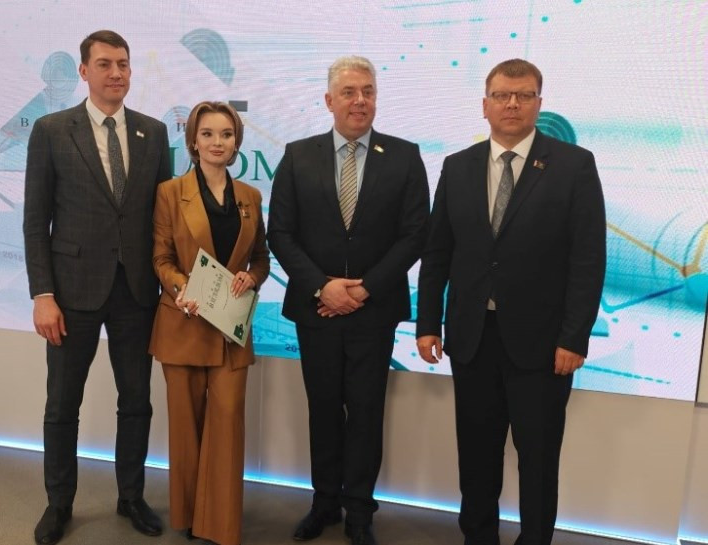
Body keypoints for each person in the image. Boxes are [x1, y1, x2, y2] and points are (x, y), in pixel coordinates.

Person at [416, 58, 606, 545]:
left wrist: (574, 338)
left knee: (538, 459)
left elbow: (588, 260)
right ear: (485, 105)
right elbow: (438, 253)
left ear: (540, 104)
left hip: (543, 347)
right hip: (472, 340)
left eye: (524, 95)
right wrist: (427, 323)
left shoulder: (574, 166)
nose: (512, 104)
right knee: (476, 456)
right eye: (502, 95)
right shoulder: (457, 166)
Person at [267, 56, 430, 545]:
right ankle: (324, 503)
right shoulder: (298, 155)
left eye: (368, 91)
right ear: (329, 100)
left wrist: (364, 288)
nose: (360, 101)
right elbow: (281, 233)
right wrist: (324, 287)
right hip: (315, 310)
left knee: (365, 412)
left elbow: (415, 234)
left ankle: (359, 510)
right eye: (349, 92)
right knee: (322, 410)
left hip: (373, 311)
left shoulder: (404, 156)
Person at [23, 30, 171, 545]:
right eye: (105, 64)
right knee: (63, 406)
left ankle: (131, 496)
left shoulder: (153, 133)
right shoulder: (51, 130)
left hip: (137, 292)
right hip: (71, 294)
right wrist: (43, 294)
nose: (116, 73)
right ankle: (58, 503)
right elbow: (35, 220)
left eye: (123, 64)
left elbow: (163, 220)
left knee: (137, 401)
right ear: (84, 72)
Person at [148, 101, 270, 545]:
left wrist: (252, 277)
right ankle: (187, 517)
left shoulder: (250, 198)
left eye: (226, 134)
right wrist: (182, 287)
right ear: (193, 142)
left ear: (237, 142)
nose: (218, 142)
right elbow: (161, 258)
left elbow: (261, 258)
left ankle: (219, 524)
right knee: (186, 429)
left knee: (227, 426)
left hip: (230, 332)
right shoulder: (169, 192)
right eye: (208, 134)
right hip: (184, 325)